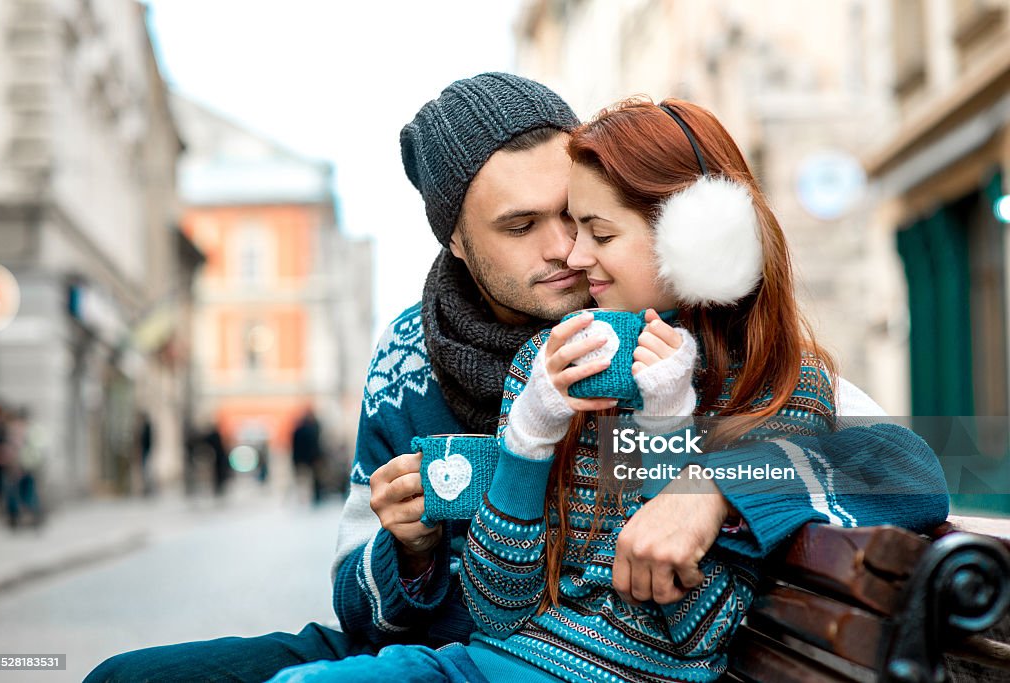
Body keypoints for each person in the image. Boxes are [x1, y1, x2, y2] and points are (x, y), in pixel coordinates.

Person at [85, 76, 942, 683]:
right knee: (123, 675)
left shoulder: (686, 334)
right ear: (456, 242)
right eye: (522, 226)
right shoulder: (407, 358)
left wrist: (713, 479)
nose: (565, 250)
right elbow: (359, 603)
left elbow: (887, 462)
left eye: (576, 218)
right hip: (443, 647)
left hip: (587, 657)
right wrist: (410, 550)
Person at [292, 407, 326, 505]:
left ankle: (304, 498)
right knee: (311, 479)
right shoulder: (313, 428)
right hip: (311, 458)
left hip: (304, 458)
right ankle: (314, 497)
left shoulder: (300, 429)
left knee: (304, 480)